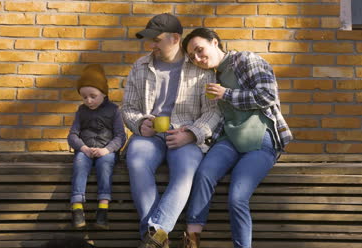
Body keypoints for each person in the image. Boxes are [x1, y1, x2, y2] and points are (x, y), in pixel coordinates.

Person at [180, 28, 293, 248]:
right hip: (230, 139)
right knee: (203, 174)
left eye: (199, 49)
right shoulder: (212, 75)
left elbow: (268, 95)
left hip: (260, 139)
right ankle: (192, 240)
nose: (197, 58)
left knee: (237, 197)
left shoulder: (245, 59)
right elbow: (217, 114)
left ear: (215, 42)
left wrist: (227, 94)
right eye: (192, 56)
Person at [121, 14, 220, 248]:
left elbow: (213, 111)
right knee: (136, 162)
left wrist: (192, 133)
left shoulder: (200, 68)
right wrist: (139, 123)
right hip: (150, 135)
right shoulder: (140, 66)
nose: (151, 45)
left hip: (185, 136)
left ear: (175, 38)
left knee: (186, 172)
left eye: (156, 40)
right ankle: (158, 237)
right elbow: (128, 108)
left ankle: (154, 235)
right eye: (150, 41)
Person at [67, 64, 127, 229]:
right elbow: (72, 135)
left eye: (93, 96)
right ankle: (77, 207)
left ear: (104, 93)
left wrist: (107, 150)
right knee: (79, 163)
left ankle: (103, 208)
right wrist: (83, 148)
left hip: (105, 150)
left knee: (105, 164)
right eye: (84, 97)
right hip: (85, 151)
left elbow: (121, 136)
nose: (89, 101)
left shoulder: (114, 110)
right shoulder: (81, 111)